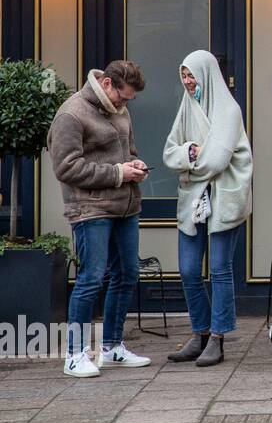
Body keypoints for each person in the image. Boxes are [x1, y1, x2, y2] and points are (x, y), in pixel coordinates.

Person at [49, 61, 152, 378]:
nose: (125, 104)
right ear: (107, 84)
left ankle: (112, 347)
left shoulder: (121, 110)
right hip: (89, 210)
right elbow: (65, 168)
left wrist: (134, 163)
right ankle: (74, 354)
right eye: (123, 97)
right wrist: (120, 173)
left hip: (125, 207)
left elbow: (127, 150)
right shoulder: (72, 114)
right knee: (91, 278)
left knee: (127, 274)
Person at [162, 50, 253, 367]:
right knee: (188, 269)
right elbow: (169, 152)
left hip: (223, 199)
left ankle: (218, 337)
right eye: (184, 75)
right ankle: (199, 332)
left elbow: (217, 159)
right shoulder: (186, 108)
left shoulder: (228, 110)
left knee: (219, 269)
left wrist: (189, 166)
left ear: (207, 75)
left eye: (192, 75)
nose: (188, 82)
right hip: (193, 202)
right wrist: (190, 151)